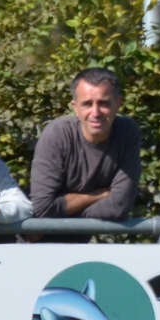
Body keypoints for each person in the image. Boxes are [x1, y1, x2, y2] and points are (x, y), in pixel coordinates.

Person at [29, 68, 141, 223]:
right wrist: (98, 195)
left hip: (74, 235)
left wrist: (62, 214)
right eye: (87, 104)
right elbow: (43, 208)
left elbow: (118, 207)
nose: (95, 113)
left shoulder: (127, 132)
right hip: (31, 236)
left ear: (118, 104)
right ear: (75, 107)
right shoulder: (57, 134)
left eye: (103, 103)